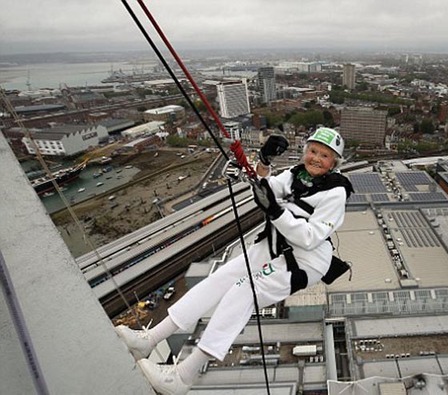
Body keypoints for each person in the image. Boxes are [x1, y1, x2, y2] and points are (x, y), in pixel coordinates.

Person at [115, 127, 353, 395]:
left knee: (243, 292)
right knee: (217, 281)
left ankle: (184, 374)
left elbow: (309, 237)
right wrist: (261, 163)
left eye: (324, 155)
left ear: (335, 163)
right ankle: (150, 339)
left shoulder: (336, 192)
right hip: (275, 245)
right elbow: (265, 187)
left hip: (305, 261)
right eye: (313, 151)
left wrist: (274, 211)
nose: (316, 158)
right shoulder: (294, 175)